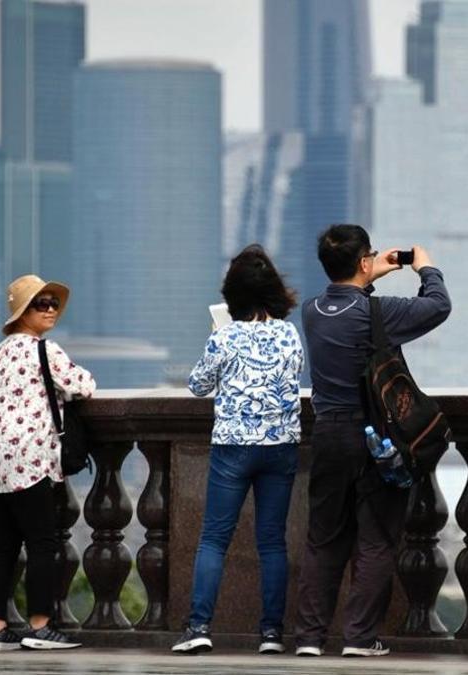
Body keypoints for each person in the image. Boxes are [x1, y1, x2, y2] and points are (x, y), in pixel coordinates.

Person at [293, 224, 450, 657]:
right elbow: (438, 306)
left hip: (327, 434)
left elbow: (346, 296)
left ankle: (309, 638)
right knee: (376, 539)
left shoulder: (310, 310)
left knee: (323, 538)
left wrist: (367, 271)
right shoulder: (376, 314)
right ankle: (359, 639)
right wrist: (425, 266)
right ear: (364, 261)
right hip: (374, 437)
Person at [171, 244, 304, 655]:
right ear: (274, 291)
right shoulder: (288, 333)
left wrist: (217, 341)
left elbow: (197, 385)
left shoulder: (225, 336)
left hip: (233, 446)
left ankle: (198, 627)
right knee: (272, 542)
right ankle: (270, 634)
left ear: (233, 295)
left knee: (214, 538)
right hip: (280, 444)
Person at [0, 274, 95, 652]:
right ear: (23, 312)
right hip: (28, 458)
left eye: (53, 303)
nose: (51, 310)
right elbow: (83, 385)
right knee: (43, 543)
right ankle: (40, 626)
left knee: (4, 545)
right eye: (41, 304)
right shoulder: (45, 351)